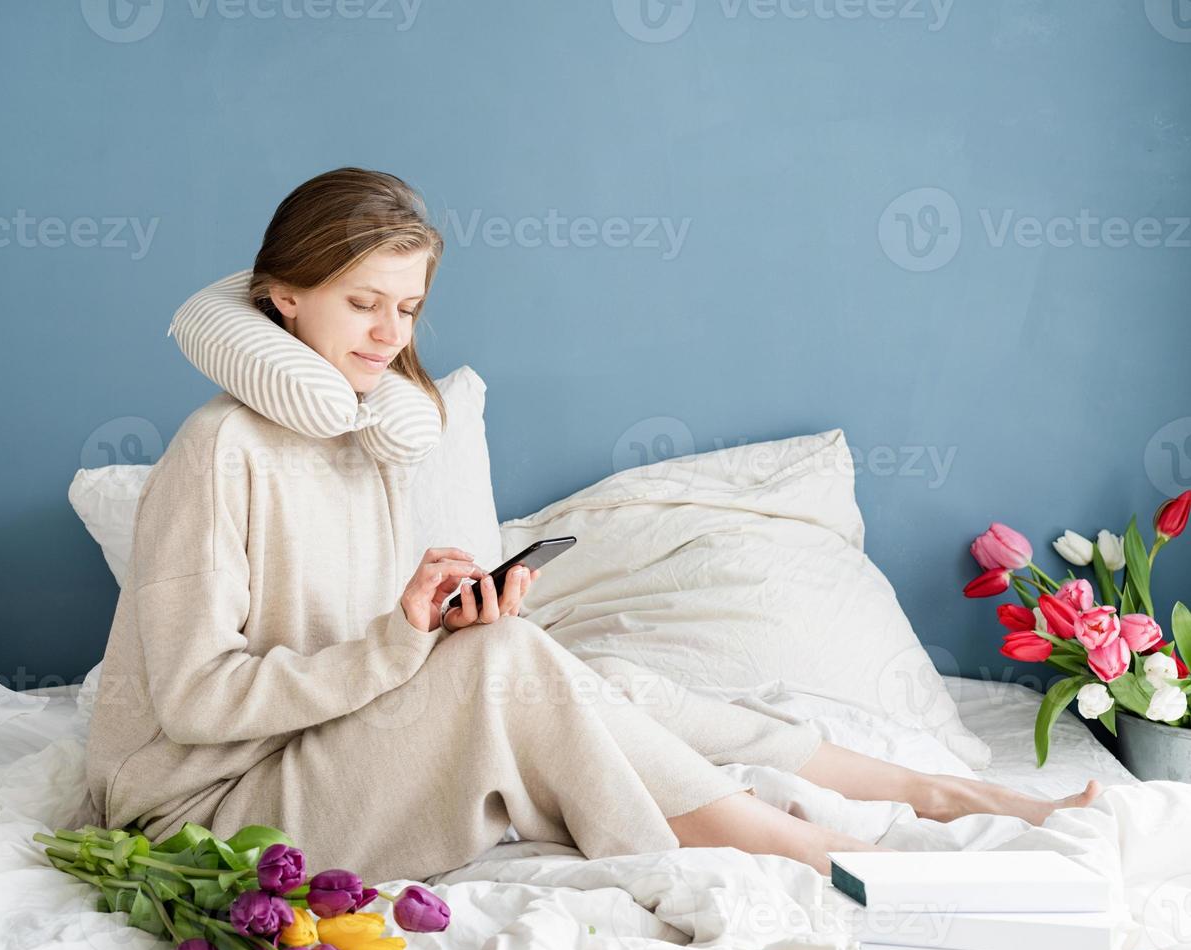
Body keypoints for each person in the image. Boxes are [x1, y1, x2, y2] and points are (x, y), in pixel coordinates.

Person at [85, 167, 1099, 885]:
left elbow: (373, 650)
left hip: (330, 739)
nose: (391, 337)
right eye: (362, 304)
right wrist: (404, 646)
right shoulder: (218, 450)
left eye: (408, 308)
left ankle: (930, 790)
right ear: (282, 298)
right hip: (212, 805)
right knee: (506, 670)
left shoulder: (380, 432)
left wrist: (448, 620)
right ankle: (810, 852)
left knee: (567, 665)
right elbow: (193, 698)